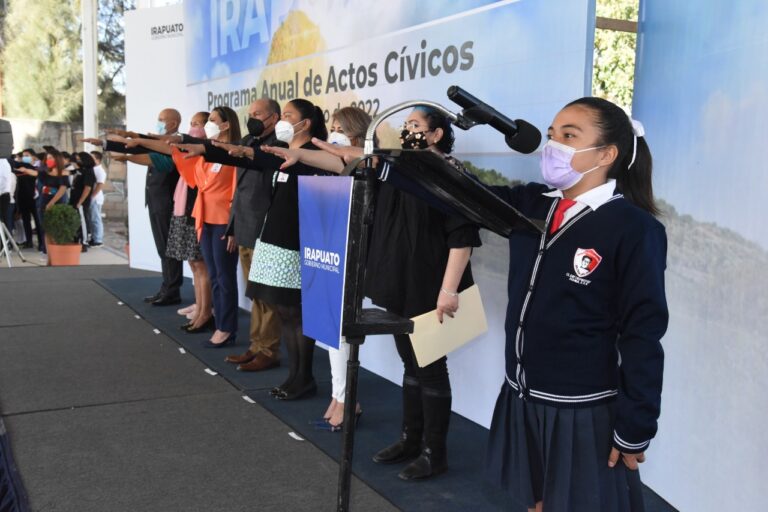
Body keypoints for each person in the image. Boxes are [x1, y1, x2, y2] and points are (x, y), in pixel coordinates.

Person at [266, 106, 481, 480]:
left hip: (431, 287)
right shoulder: (398, 168)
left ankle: (434, 453)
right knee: (410, 364)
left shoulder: (450, 174)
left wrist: (449, 290)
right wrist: (302, 155)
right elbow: (344, 163)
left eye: (416, 125)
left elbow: (462, 238)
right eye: (406, 124)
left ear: (437, 135)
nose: (407, 129)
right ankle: (410, 440)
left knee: (430, 368)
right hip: (398, 283)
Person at [483, 97, 668, 512]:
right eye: (552, 135)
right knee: (536, 499)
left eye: (569, 136)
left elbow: (643, 333)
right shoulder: (533, 203)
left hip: (580, 409)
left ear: (606, 154)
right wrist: (381, 163)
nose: (553, 145)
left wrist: (636, 424)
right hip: (522, 392)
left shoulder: (635, 229)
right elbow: (458, 195)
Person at [202, 98, 329, 399]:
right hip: (273, 238)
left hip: (296, 241)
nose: (284, 119)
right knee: (283, 311)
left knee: (296, 312)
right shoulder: (283, 151)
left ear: (306, 123)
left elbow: (263, 161)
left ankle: (304, 377)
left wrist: (247, 152)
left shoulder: (313, 154)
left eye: (288, 115)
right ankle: (294, 375)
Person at [189, 98, 285, 372]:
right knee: (255, 295)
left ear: (274, 118)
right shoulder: (247, 140)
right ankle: (256, 346)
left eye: (258, 114)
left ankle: (268, 350)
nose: (252, 117)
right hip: (243, 226)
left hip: (265, 228)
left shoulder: (279, 145)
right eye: (250, 113)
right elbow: (238, 192)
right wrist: (233, 226)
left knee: (266, 296)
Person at [133, 106, 241, 348]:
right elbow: (173, 151)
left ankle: (227, 328)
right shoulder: (207, 151)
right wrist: (138, 141)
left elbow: (238, 193)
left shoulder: (235, 152)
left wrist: (234, 228)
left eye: (213, 120)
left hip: (224, 223)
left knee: (224, 278)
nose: (208, 124)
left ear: (226, 125)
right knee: (214, 276)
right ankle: (218, 322)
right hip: (204, 220)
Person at [85, 109, 184, 305]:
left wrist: (127, 157)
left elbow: (151, 157)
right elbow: (136, 146)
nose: (158, 123)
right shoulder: (157, 141)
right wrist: (105, 144)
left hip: (167, 202)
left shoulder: (176, 144)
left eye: (161, 120)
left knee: (169, 248)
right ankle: (167, 288)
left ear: (173, 124)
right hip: (156, 201)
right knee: (162, 248)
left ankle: (172, 290)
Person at [14, 149, 42, 249]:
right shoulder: (20, 168)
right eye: (23, 156)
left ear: (33, 156)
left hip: (35, 198)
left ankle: (41, 243)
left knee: (38, 221)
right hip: (23, 198)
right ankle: (28, 242)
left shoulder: (38, 168)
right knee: (26, 221)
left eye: (27, 155)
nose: (24, 157)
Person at [68, 152, 97, 249]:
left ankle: (84, 242)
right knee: (76, 220)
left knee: (82, 220)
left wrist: (80, 202)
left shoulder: (89, 172)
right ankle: (76, 238)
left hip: (81, 201)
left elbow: (87, 188)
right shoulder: (80, 170)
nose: (78, 161)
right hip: (74, 198)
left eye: (79, 159)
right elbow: (69, 172)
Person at [89, 151, 107, 248]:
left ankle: (98, 240)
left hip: (95, 198)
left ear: (98, 160)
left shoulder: (100, 171)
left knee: (95, 219)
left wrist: (92, 196)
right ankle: (93, 237)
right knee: (91, 219)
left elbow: (100, 184)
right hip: (91, 197)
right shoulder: (92, 169)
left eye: (92, 158)